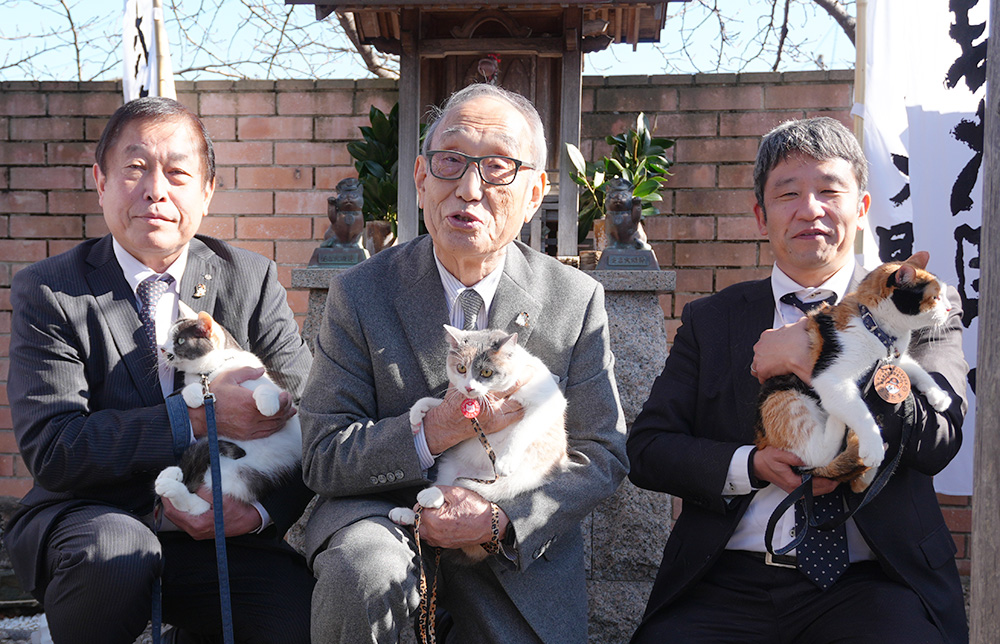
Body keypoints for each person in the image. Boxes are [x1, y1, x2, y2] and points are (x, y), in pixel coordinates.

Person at [300, 83, 628, 644]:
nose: (469, 188)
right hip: (384, 523)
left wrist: (503, 516)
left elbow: (602, 453)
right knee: (363, 569)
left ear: (534, 193)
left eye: (498, 167)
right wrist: (436, 428)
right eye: (451, 161)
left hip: (509, 549)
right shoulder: (358, 293)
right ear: (422, 178)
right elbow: (325, 454)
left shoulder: (574, 300)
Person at [627, 117, 968, 644]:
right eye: (788, 194)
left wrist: (815, 356)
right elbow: (649, 449)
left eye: (830, 190)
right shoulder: (712, 320)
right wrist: (749, 465)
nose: (810, 209)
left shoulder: (920, 303)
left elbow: (939, 440)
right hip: (728, 581)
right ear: (761, 215)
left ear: (861, 209)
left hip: (875, 583)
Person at [4, 97, 315, 643]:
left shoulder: (251, 278)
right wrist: (196, 416)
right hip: (96, 522)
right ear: (100, 181)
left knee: (296, 615)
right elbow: (54, 448)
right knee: (117, 555)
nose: (156, 190)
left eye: (177, 172)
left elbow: (314, 419)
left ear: (207, 190)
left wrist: (259, 514)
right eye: (135, 169)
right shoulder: (51, 289)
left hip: (227, 530)